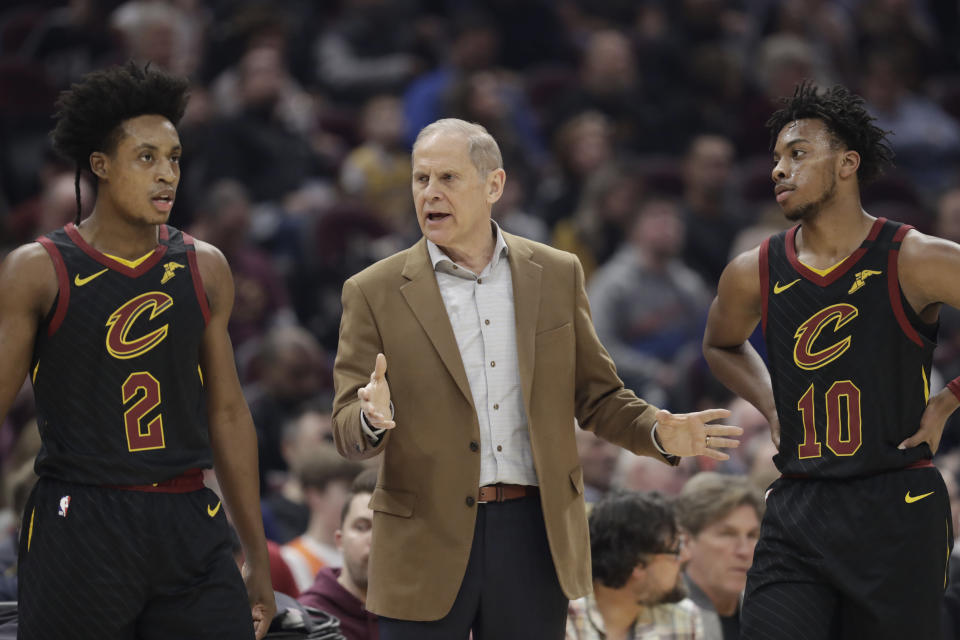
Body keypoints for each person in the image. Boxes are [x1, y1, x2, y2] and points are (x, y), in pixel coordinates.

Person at [332, 118, 741, 639]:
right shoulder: (373, 290)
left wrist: (658, 431)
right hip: (422, 537)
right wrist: (370, 417)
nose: (430, 193)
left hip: (532, 531)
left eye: (448, 178)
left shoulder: (556, 272)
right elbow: (345, 422)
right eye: (420, 179)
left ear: (494, 185)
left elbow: (598, 396)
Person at [1, 62, 275, 638]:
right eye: (145, 157)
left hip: (187, 520)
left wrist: (256, 552)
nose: (166, 175)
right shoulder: (38, 270)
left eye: (173, 158)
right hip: (80, 518)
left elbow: (227, 413)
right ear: (99, 165)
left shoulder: (205, 266)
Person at [702, 81, 958, 639]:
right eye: (775, 158)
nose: (778, 170)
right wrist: (771, 402)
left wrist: (948, 402)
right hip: (800, 500)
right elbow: (719, 344)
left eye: (798, 154)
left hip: (895, 500)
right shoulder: (755, 268)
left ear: (846, 164)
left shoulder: (913, 256)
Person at [565, 490, 704, 640]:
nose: (686, 556)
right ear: (638, 564)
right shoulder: (565, 618)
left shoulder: (683, 617)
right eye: (676, 549)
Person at [675, 472, 763, 640]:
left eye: (752, 535)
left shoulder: (769, 616)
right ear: (686, 541)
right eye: (727, 534)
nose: (744, 551)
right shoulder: (658, 618)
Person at [299, 468, 380, 640]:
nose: (374, 539)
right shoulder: (310, 620)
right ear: (339, 540)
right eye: (362, 527)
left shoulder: (416, 616)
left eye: (387, 530)